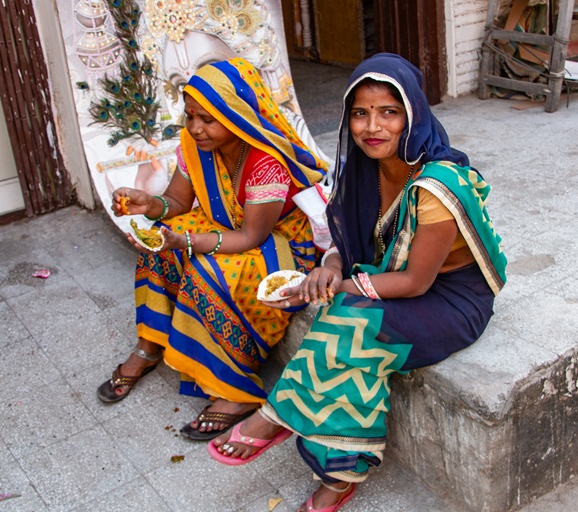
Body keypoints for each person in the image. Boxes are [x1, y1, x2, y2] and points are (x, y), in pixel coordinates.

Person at [208, 53, 507, 512]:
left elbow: (413, 282)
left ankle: (278, 416)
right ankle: (342, 472)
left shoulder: (438, 186)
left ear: (413, 115)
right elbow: (351, 243)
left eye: (389, 112)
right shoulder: (367, 167)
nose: (373, 127)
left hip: (452, 301)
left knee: (350, 318)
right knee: (345, 329)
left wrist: (339, 287)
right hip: (399, 284)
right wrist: (330, 264)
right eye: (360, 113)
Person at [96, 58, 328, 441]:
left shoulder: (264, 162)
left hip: (281, 240)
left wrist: (186, 241)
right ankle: (149, 346)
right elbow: (175, 200)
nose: (196, 128)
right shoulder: (195, 146)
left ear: (236, 116)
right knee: (160, 248)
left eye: (208, 118)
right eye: (190, 117)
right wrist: (147, 205)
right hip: (228, 227)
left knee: (208, 272)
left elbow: (251, 238)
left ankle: (233, 391)